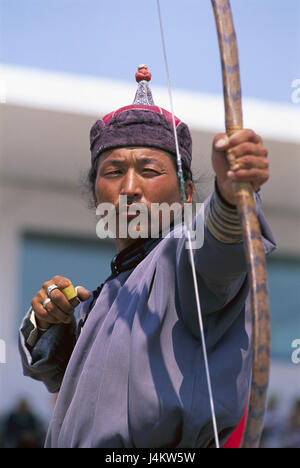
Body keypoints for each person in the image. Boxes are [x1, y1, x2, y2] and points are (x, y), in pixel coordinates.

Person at [19, 65, 276, 448]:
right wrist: (49, 322)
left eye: (149, 169)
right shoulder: (107, 295)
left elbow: (221, 247)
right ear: (95, 196)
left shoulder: (183, 260)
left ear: (187, 192)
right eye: (114, 170)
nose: (130, 188)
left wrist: (231, 190)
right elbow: (65, 379)